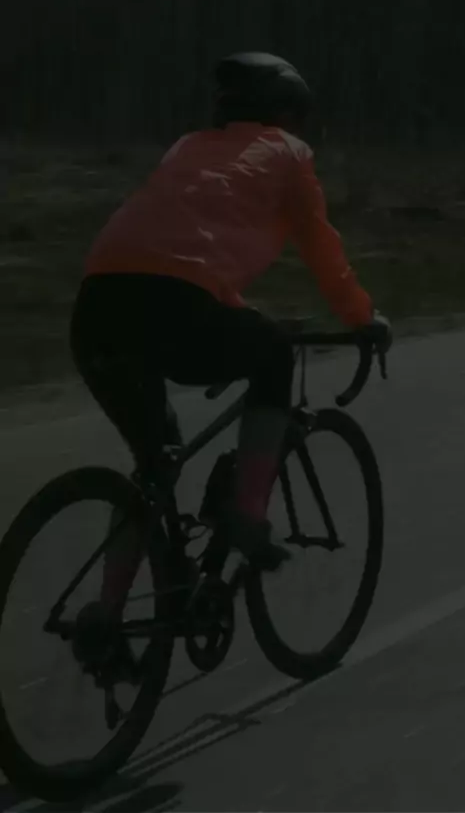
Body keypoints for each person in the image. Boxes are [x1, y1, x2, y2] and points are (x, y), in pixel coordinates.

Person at [70, 52, 391, 647]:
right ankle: (246, 512)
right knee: (273, 354)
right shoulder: (288, 154)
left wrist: (236, 314)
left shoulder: (187, 147)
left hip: (96, 308)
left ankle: (106, 615)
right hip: (178, 308)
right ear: (285, 113)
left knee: (153, 464)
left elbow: (178, 249)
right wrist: (362, 318)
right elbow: (321, 248)